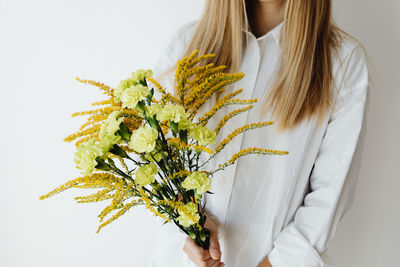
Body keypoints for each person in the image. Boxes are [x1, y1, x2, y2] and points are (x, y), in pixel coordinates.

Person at [149, 0, 370, 266]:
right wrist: (188, 220)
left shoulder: (341, 62)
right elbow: (157, 159)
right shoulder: (187, 44)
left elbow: (329, 199)